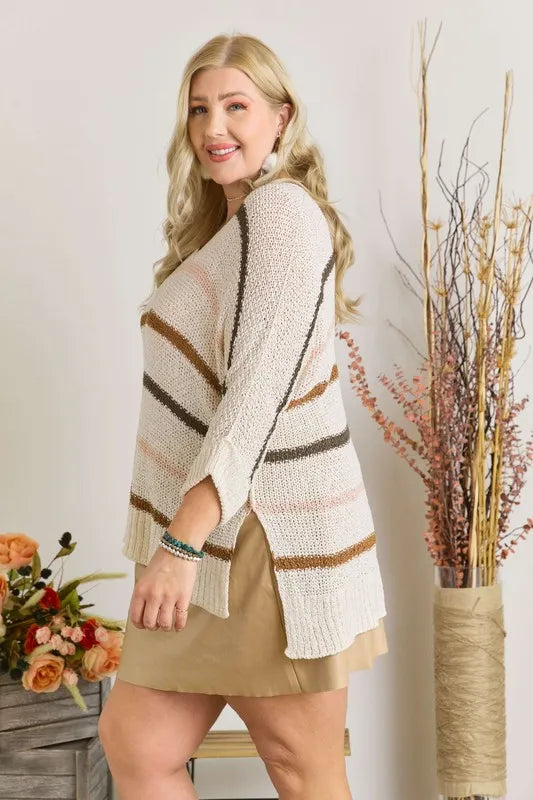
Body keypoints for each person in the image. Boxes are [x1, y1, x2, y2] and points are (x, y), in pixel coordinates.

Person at [98, 31, 388, 800]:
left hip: (266, 538)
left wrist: (179, 543)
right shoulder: (232, 229)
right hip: (215, 535)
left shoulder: (284, 215)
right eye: (199, 109)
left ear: (281, 118)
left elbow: (256, 399)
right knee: (138, 743)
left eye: (236, 106)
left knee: (302, 769)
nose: (213, 127)